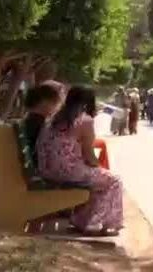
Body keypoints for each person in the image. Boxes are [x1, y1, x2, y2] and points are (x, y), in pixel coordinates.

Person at [36, 85, 123, 236]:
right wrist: (99, 167)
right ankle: (94, 223)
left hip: (46, 170)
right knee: (114, 180)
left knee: (99, 180)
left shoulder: (53, 118)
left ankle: (83, 220)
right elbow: (89, 156)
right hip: (68, 172)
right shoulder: (85, 120)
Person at [21, 83, 63, 166]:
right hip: (37, 167)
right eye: (55, 103)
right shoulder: (39, 124)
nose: (57, 108)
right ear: (44, 102)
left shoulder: (29, 120)